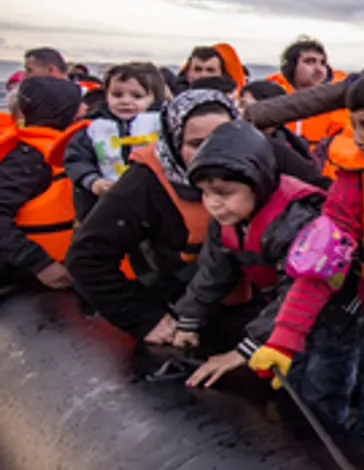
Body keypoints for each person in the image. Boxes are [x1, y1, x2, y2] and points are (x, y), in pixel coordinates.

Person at [248, 67, 364, 451]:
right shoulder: (353, 183)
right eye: (355, 126)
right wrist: (283, 340)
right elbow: (321, 263)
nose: (358, 139)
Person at [65, 90, 325, 342]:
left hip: (274, 308)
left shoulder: (262, 153)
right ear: (174, 141)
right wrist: (144, 319)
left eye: (221, 137)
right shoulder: (144, 181)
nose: (214, 151)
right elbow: (86, 258)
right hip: (187, 314)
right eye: (196, 144)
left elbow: (328, 205)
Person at [166, 121, 328, 389]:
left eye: (224, 193)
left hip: (326, 315)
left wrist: (245, 349)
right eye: (205, 193)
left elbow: (297, 291)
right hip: (281, 310)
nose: (213, 203)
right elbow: (213, 272)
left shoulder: (295, 220)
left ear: (258, 184)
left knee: (318, 383)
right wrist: (189, 320)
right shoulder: (227, 220)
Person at [0, 77, 82, 289]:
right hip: (21, 275)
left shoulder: (73, 151)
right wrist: (40, 264)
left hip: (62, 269)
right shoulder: (27, 159)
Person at [60, 62, 167, 221]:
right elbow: (76, 158)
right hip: (103, 202)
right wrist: (92, 180)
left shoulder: (163, 124)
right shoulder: (92, 127)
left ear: (154, 98)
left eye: (137, 96)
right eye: (117, 95)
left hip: (154, 202)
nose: (125, 101)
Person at [265, 37, 350, 154]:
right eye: (310, 62)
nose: (319, 69)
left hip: (321, 161)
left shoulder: (339, 100)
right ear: (292, 66)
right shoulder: (269, 94)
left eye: (323, 63)